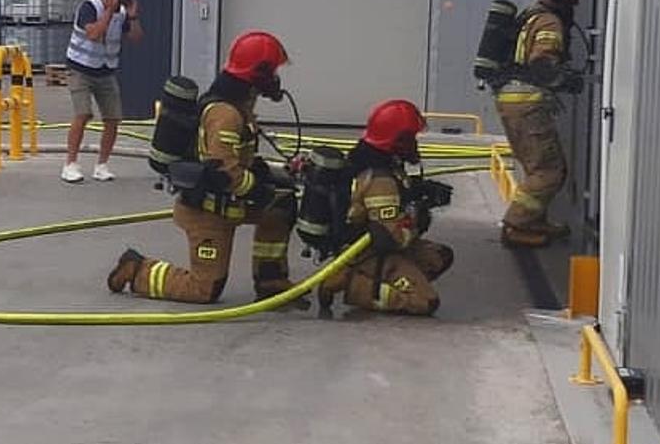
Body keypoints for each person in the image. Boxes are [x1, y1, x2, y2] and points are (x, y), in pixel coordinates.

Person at [106, 31, 301, 303]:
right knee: (204, 290)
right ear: (258, 73)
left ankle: (271, 280)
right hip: (208, 212)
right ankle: (137, 269)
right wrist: (258, 187)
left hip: (231, 202)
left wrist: (274, 176)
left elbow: (239, 161)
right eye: (273, 71)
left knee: (282, 204)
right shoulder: (226, 114)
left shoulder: (240, 106)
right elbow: (224, 172)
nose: (276, 79)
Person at [317, 99, 456, 316]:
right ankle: (350, 282)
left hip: (377, 245)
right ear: (398, 141)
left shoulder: (382, 162)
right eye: (411, 138)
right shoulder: (380, 179)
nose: (415, 144)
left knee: (439, 257)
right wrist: (420, 217)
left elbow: (397, 198)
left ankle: (393, 277)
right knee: (425, 302)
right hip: (368, 253)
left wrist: (420, 191)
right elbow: (389, 239)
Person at [496, 0, 584, 248]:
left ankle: (535, 220)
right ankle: (516, 225)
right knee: (548, 170)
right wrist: (567, 80)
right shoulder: (549, 22)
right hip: (527, 102)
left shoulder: (528, 17)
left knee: (537, 167)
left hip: (511, 98)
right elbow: (541, 63)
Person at [61, 0, 142, 183]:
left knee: (113, 118)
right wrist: (108, 11)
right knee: (83, 114)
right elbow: (94, 34)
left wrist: (132, 16)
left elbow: (136, 38)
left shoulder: (123, 13)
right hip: (80, 69)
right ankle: (70, 164)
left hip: (105, 70)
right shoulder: (89, 8)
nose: (119, 1)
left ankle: (102, 165)